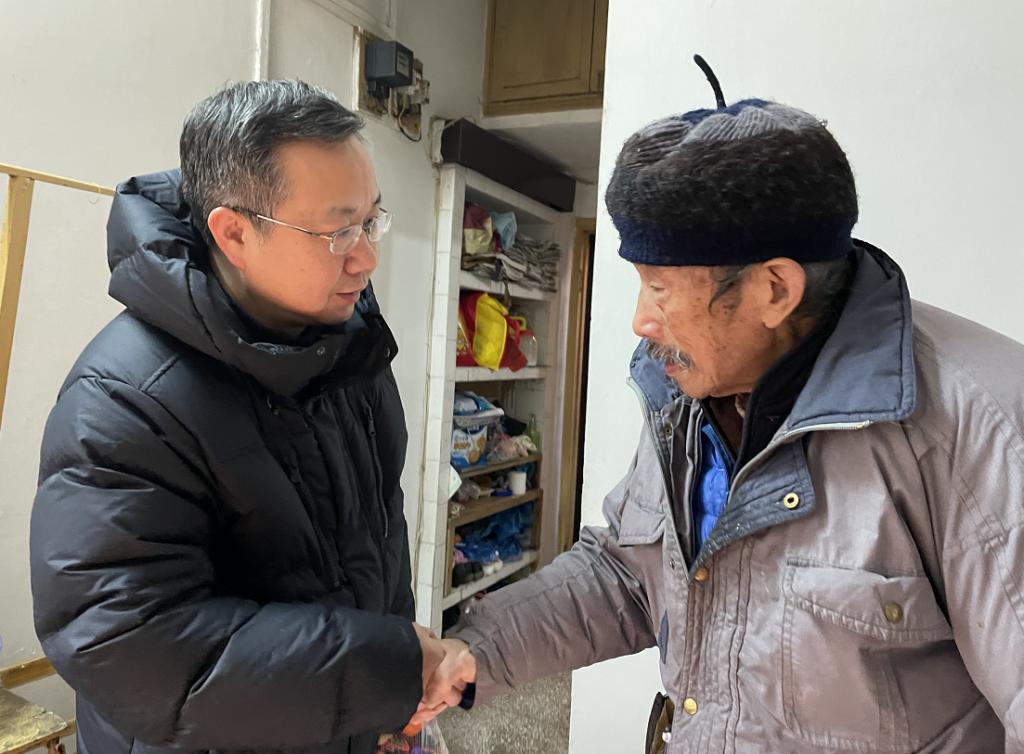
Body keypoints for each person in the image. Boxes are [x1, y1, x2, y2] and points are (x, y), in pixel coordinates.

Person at [422, 81, 1024, 752]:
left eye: (660, 288)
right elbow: (629, 573)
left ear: (775, 289)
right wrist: (472, 652)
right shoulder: (689, 392)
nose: (640, 320)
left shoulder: (983, 431)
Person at [30, 79, 455, 754]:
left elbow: (377, 537)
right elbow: (127, 644)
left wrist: (387, 702)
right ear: (234, 233)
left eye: (371, 220)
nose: (367, 257)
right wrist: (385, 670)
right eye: (338, 231)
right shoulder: (125, 398)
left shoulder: (347, 350)